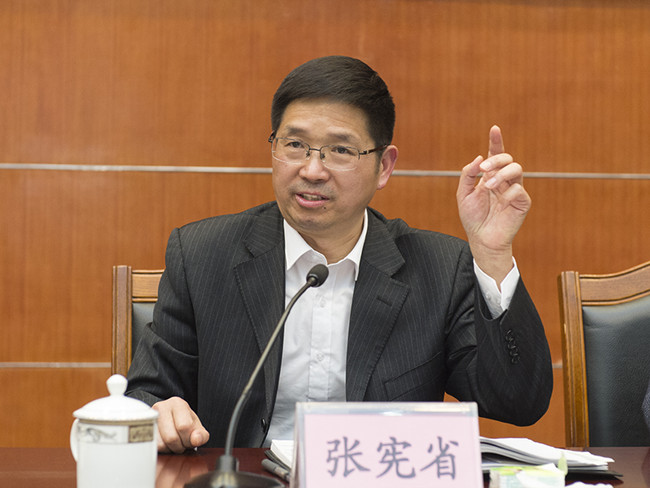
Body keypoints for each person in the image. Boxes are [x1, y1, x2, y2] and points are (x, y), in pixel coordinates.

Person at [126, 55, 553, 453]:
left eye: (341, 150)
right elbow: (146, 396)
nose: (312, 170)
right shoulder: (202, 255)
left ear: (384, 166)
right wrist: (159, 412)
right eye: (295, 144)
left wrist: (493, 254)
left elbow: (517, 402)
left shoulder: (438, 268)